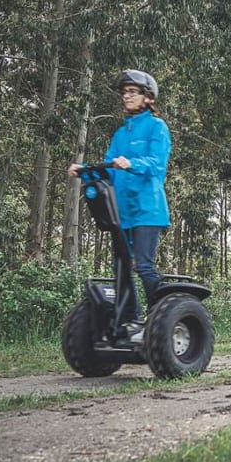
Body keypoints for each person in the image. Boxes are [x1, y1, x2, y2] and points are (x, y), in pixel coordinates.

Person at [68, 69, 171, 332]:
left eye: (133, 92)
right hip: (122, 214)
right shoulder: (120, 134)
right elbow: (109, 169)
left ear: (148, 97)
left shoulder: (157, 127)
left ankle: (160, 318)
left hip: (148, 210)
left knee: (143, 265)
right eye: (124, 92)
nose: (127, 96)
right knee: (121, 268)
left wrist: (132, 163)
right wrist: (84, 170)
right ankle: (131, 320)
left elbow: (157, 164)